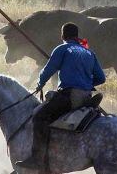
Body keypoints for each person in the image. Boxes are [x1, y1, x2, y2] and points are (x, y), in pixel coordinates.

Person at [16, 22, 106, 170]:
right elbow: (101, 78)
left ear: (63, 35)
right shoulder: (89, 52)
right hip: (86, 96)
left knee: (39, 116)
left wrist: (40, 84)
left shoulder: (62, 49)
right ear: (77, 36)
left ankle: (37, 159)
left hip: (69, 96)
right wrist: (86, 83)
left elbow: (48, 70)